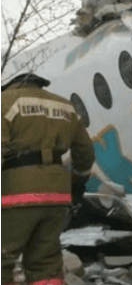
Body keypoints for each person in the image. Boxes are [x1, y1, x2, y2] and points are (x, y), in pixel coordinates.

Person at [2, 73, 95, 285]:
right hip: (57, 196)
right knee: (45, 263)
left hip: (15, 195)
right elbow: (86, 154)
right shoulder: (65, 107)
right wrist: (77, 186)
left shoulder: (4, 103)